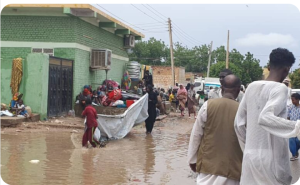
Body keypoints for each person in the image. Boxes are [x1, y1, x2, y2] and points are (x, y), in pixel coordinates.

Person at [234, 48, 300, 185]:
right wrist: (296, 126)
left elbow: (238, 124)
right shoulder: (280, 88)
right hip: (272, 160)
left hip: (250, 157)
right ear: (287, 69)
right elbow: (265, 117)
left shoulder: (251, 87)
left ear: (269, 67)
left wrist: (249, 148)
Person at [188, 75, 243, 185]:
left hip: (208, 167)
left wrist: (192, 160)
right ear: (238, 90)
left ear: (222, 89)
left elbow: (196, 135)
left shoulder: (208, 105)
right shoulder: (242, 110)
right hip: (233, 169)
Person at [288, 93, 300, 161]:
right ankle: (293, 155)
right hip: (291, 127)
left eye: (293, 100)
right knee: (292, 141)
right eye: (291, 100)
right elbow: (288, 117)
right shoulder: (290, 107)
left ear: (298, 100)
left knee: (298, 141)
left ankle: (295, 151)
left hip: (299, 127)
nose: (292, 101)